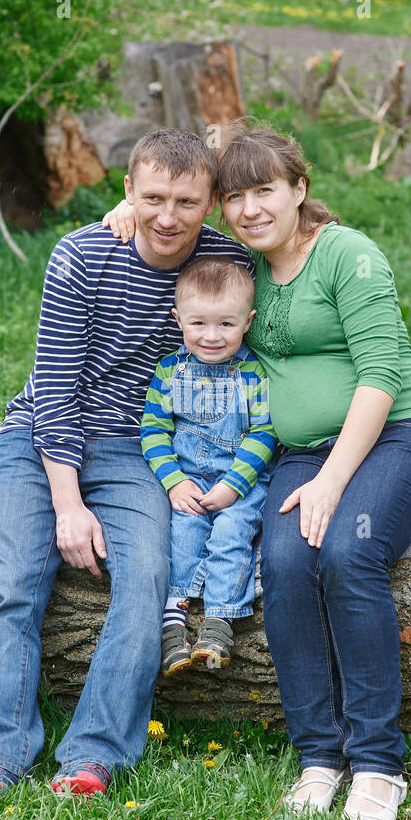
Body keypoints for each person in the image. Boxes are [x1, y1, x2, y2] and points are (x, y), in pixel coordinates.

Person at [103, 123, 411, 820]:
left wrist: (331, 481)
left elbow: (382, 372)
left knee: (349, 554)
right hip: (295, 452)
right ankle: (319, 759)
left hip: (398, 437)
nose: (248, 208)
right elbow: (162, 226)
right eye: (234, 196)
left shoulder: (346, 256)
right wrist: (117, 214)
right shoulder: (243, 263)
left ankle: (379, 765)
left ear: (299, 189)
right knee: (288, 562)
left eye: (264, 190)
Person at [0, 129, 253, 801]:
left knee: (149, 577)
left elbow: (294, 230)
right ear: (126, 191)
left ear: (210, 202)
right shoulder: (82, 256)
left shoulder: (222, 263)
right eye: (151, 197)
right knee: (9, 582)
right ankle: (1, 752)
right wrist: (68, 505)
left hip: (138, 449)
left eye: (186, 201)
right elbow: (55, 393)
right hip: (38, 439)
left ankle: (93, 755)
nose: (167, 217)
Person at [140, 256, 275, 675]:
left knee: (231, 536)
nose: (212, 337)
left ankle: (219, 620)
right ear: (178, 319)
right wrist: (174, 483)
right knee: (181, 535)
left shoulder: (253, 372)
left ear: (248, 321)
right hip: (189, 479)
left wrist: (234, 485)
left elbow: (264, 432)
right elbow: (153, 432)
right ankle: (173, 622)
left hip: (241, 481)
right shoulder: (169, 370)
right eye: (199, 324)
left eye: (226, 325)